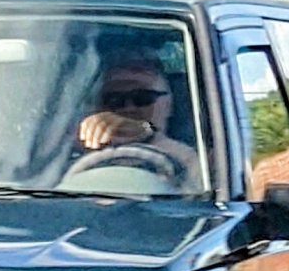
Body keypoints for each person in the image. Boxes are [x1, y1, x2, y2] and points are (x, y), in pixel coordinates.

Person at [76, 56, 201, 188]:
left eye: (142, 98)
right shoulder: (68, 148)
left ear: (168, 104)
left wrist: (147, 132)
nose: (129, 108)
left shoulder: (193, 161)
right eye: (114, 100)